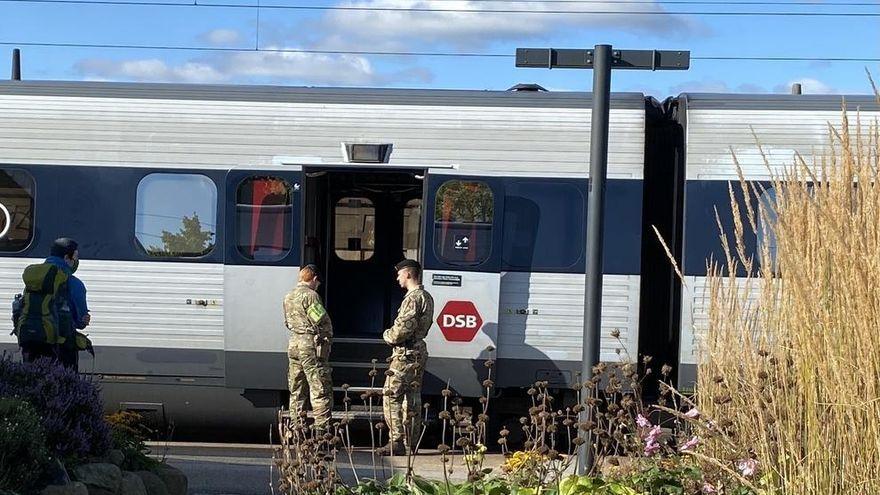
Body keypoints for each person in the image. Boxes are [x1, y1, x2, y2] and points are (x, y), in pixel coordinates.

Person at [381, 259, 434, 455]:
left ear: (408, 274)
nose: (397, 278)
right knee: (413, 398)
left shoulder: (413, 298)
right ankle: (412, 442)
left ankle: (396, 440)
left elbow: (403, 328)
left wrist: (388, 335)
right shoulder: (426, 297)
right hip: (418, 351)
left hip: (405, 354)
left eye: (399, 274)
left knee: (391, 395)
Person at [16, 238, 87, 365]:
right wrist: (84, 319)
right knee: (63, 382)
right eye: (75, 257)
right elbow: (80, 321)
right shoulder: (74, 283)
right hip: (60, 346)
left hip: (30, 341)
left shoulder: (35, 277)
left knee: (32, 379)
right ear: (67, 258)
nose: (76, 261)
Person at [283, 264, 333, 430]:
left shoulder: (288, 296)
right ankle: (322, 430)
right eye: (317, 283)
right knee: (319, 387)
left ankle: (297, 428)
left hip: (294, 344)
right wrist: (327, 338)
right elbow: (321, 320)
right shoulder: (311, 296)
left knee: (297, 389)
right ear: (315, 279)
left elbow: (287, 322)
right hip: (310, 346)